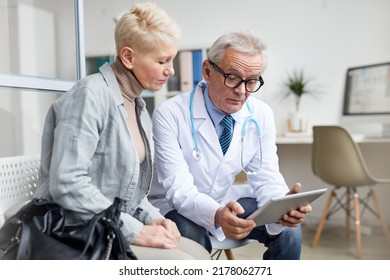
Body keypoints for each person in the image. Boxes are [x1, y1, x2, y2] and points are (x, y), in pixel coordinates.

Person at [33, 2, 209, 260]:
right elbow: (67, 184)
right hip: (73, 228)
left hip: (108, 223)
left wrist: (153, 218)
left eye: (171, 59)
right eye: (162, 60)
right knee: (183, 262)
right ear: (128, 57)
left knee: (197, 251)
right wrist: (134, 230)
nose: (170, 70)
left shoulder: (138, 106)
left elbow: (129, 193)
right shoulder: (89, 96)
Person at [148, 30, 312, 259]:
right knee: (191, 237)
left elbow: (266, 176)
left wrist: (284, 208)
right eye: (232, 77)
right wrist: (216, 214)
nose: (242, 91)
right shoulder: (169, 114)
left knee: (289, 231)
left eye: (252, 81)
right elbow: (179, 190)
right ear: (207, 71)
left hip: (224, 201)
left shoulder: (260, 114)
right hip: (174, 206)